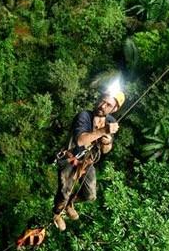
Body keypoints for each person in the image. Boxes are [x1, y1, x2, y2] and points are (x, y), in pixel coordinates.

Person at [52, 88, 125, 231]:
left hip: (86, 161)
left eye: (108, 105)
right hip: (70, 158)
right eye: (102, 101)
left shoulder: (111, 121)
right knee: (64, 192)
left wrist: (107, 142)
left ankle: (69, 204)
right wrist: (103, 131)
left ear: (115, 109)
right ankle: (56, 214)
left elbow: (105, 151)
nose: (102, 106)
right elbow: (80, 140)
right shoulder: (84, 116)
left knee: (90, 195)